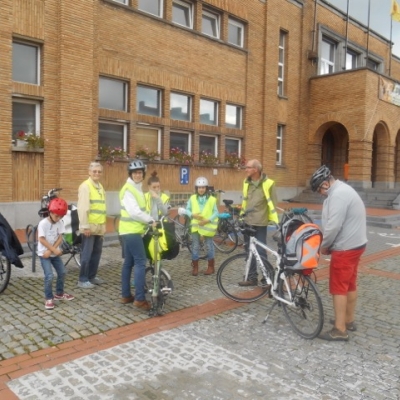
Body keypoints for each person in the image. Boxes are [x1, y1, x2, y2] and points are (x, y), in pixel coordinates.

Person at [310, 165, 367, 341]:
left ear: (326, 183)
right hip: (356, 244)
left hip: (345, 247)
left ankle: (340, 329)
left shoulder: (339, 195)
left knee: (338, 287)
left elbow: (334, 225)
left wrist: (324, 246)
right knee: (350, 284)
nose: (320, 192)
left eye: (319, 188)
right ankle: (348, 320)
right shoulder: (341, 190)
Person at [119, 160, 156, 310]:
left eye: (140, 172)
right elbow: (134, 212)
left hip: (130, 230)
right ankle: (140, 298)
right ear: (130, 174)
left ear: (143, 174)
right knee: (140, 262)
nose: (137, 175)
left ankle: (126, 295)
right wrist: (150, 220)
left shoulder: (136, 188)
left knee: (128, 263)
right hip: (132, 231)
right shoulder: (129, 189)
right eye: (135, 173)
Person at [239, 159, 278, 286]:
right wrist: (241, 217)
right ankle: (251, 278)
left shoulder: (269, 183)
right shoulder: (246, 182)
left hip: (260, 222)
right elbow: (245, 202)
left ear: (256, 169)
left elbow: (273, 202)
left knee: (261, 251)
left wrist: (272, 219)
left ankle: (267, 278)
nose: (246, 170)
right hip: (247, 221)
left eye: (248, 167)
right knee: (248, 251)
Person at [37, 198, 75, 310]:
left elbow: (60, 237)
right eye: (56, 216)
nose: (58, 218)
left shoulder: (59, 222)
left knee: (62, 272)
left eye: (61, 216)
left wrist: (53, 250)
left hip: (53, 253)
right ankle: (49, 298)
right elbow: (42, 239)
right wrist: (52, 250)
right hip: (44, 254)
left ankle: (59, 293)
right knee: (49, 276)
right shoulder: (43, 223)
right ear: (50, 212)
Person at [178, 177, 219, 276]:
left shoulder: (212, 199)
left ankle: (211, 266)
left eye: (203, 187)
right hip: (196, 227)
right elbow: (187, 210)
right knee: (195, 246)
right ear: (196, 188)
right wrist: (193, 215)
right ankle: (195, 266)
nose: (201, 189)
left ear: (206, 188)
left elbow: (216, 212)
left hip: (207, 226)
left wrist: (207, 220)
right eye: (199, 187)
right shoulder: (192, 198)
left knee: (209, 246)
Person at [77, 161, 107, 289]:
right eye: (94, 171)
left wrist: (103, 226)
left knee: (96, 253)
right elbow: (83, 208)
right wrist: (85, 226)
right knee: (86, 255)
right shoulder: (85, 186)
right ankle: (82, 279)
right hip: (89, 227)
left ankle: (92, 276)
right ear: (89, 172)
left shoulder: (100, 187)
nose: (97, 173)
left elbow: (102, 207)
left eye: (99, 171)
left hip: (98, 226)